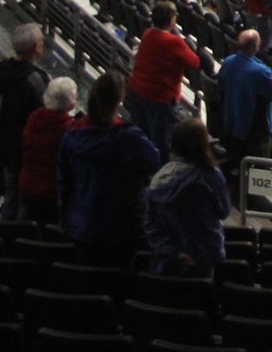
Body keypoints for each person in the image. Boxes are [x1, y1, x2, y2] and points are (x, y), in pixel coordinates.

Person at [58, 72, 161, 264]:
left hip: (83, 224)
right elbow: (153, 161)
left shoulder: (72, 135)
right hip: (122, 226)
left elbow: (64, 181)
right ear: (120, 99)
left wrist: (67, 219)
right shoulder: (129, 137)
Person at [143, 117, 230, 275]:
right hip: (205, 258)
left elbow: (151, 224)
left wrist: (173, 253)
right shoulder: (211, 176)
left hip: (167, 261)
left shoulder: (158, 179)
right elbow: (224, 211)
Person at [0, 23, 50, 220]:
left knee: (11, 195)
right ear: (35, 48)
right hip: (24, 150)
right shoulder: (36, 79)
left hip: (3, 140)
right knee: (22, 202)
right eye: (40, 42)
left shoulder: (0, 68)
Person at [126, 2, 208, 152]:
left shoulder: (148, 33)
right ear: (171, 20)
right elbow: (195, 62)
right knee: (160, 141)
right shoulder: (174, 42)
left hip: (138, 90)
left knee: (140, 133)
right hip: (159, 96)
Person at [216, 29, 272, 166]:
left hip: (232, 122)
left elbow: (221, 86)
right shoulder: (259, 72)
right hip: (254, 130)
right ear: (255, 47)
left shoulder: (228, 62)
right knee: (259, 168)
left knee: (236, 162)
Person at [18, 76, 78, 224]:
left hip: (27, 184)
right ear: (71, 103)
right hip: (51, 191)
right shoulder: (70, 128)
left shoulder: (34, 117)